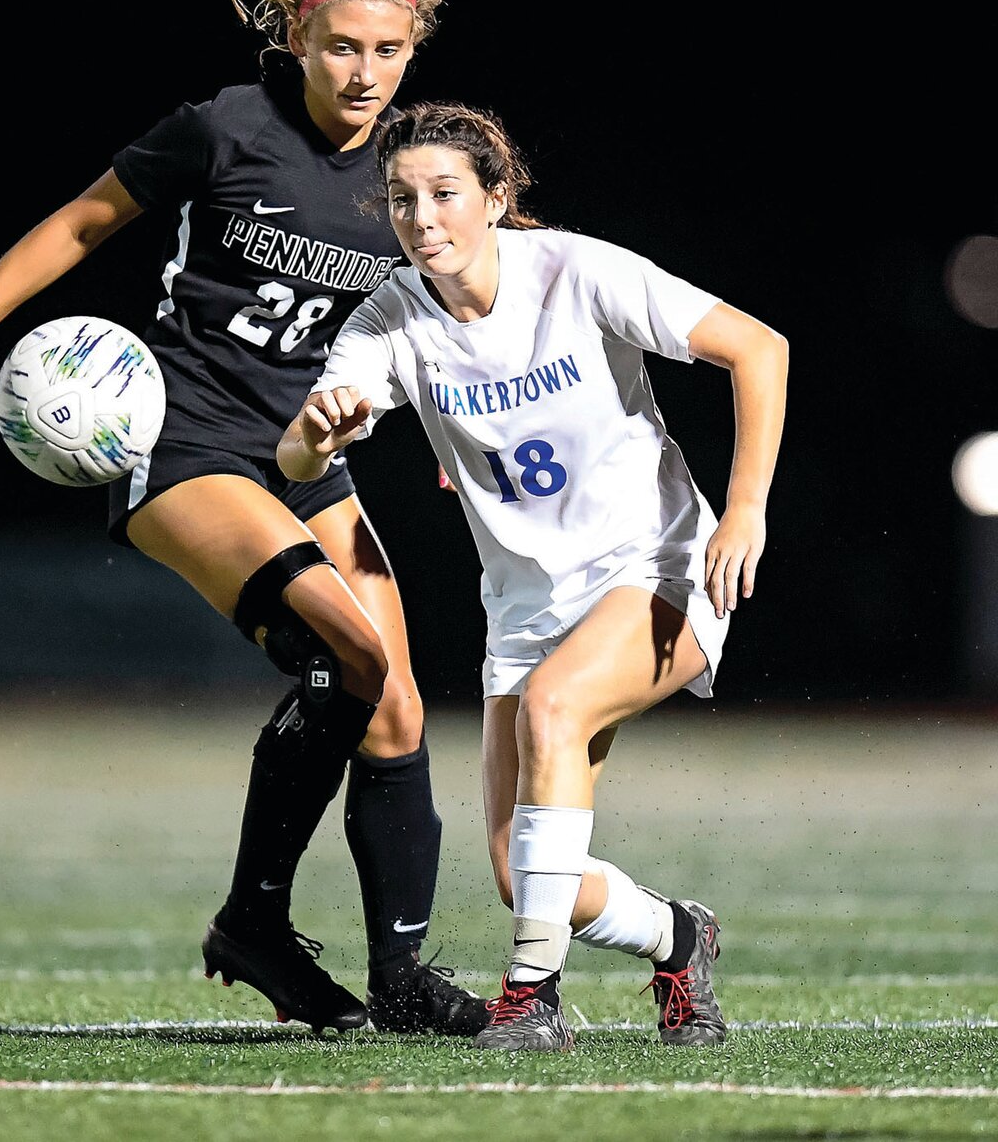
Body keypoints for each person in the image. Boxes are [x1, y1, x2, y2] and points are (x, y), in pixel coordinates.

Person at [0, 0, 490, 1039]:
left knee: (400, 708)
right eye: (342, 50)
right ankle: (260, 925)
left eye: (388, 52)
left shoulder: (420, 174)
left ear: (413, 51)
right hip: (185, 440)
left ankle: (387, 972)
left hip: (311, 454)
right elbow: (76, 224)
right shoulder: (228, 129)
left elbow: (486, 300)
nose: (365, 74)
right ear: (302, 43)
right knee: (352, 649)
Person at [277, 99, 789, 1052]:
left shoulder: (575, 271)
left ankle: (530, 999)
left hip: (659, 569)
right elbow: (298, 459)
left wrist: (747, 507)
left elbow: (760, 348)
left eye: (444, 194)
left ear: (497, 196)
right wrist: (316, 433)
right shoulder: (392, 316)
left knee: (555, 711)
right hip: (525, 610)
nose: (422, 219)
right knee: (526, 873)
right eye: (400, 199)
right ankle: (681, 936)